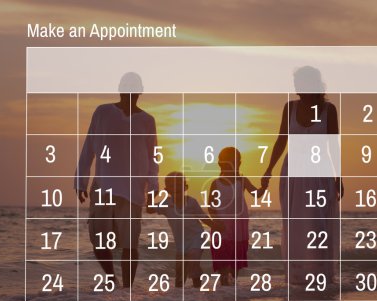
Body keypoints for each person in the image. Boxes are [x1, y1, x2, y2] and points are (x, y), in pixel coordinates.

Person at [74, 72, 158, 288]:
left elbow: (153, 156)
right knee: (99, 241)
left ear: (140, 92)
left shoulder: (147, 121)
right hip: (103, 186)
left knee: (130, 244)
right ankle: (112, 279)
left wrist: (152, 187)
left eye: (133, 89)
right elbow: (90, 145)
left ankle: (127, 290)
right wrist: (81, 180)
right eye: (126, 88)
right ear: (120, 89)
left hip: (133, 190)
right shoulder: (103, 112)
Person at [262, 66, 343, 285]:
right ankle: (298, 277)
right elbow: (281, 140)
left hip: (320, 173)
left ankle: (320, 277)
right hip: (294, 174)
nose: (296, 87)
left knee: (317, 224)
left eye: (300, 82)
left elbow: (333, 145)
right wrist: (268, 170)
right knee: (295, 225)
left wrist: (339, 177)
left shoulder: (329, 110)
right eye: (295, 83)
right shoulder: (290, 108)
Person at [147, 172, 221, 288]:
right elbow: (150, 209)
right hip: (180, 243)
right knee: (180, 271)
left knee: (193, 259)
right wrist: (151, 195)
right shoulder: (166, 204)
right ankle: (178, 294)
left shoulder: (191, 202)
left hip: (197, 237)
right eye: (172, 185)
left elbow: (202, 217)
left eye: (179, 185)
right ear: (167, 190)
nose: (176, 187)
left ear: (185, 187)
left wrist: (215, 226)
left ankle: (197, 289)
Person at [209, 147, 267, 285]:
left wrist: (264, 186)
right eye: (227, 162)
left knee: (234, 268)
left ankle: (232, 298)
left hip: (238, 229)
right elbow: (211, 206)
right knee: (224, 265)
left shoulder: (242, 180)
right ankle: (225, 291)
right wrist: (216, 221)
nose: (231, 165)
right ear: (220, 164)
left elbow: (257, 194)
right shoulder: (215, 183)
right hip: (221, 227)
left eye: (234, 162)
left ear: (239, 163)